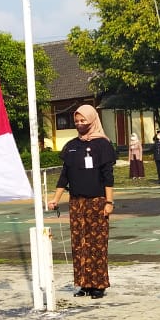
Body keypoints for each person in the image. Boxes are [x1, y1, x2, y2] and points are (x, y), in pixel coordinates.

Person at [48, 106, 116, 299]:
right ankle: (83, 283)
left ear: (92, 120)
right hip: (76, 203)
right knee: (79, 243)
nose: (79, 124)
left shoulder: (102, 145)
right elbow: (64, 176)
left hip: (97, 201)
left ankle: (98, 284)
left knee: (97, 243)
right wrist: (56, 198)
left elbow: (108, 176)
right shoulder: (71, 146)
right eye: (76, 121)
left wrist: (109, 201)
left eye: (83, 121)